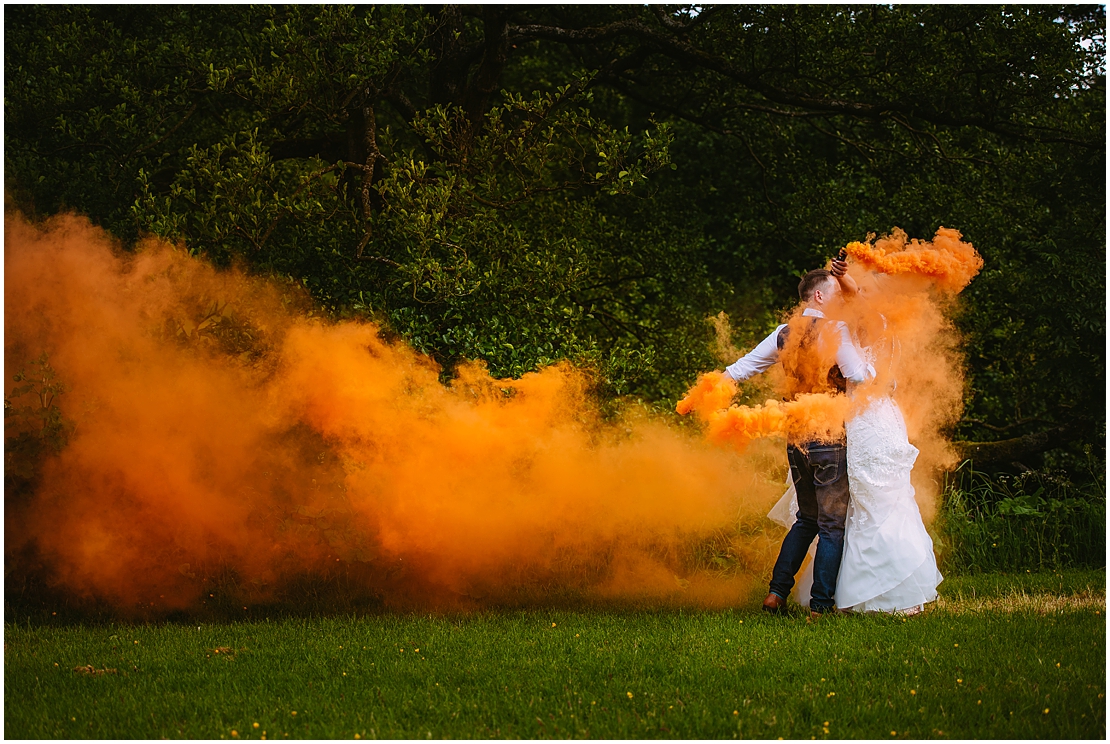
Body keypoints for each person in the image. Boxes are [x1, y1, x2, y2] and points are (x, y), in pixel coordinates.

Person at [723, 258, 872, 617]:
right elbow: (858, 375)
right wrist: (869, 365)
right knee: (831, 523)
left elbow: (739, 370)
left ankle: (776, 594)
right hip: (828, 435)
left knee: (806, 519)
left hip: (795, 438)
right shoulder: (836, 329)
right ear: (819, 296)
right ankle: (820, 606)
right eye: (836, 293)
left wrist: (708, 394)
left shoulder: (782, 332)